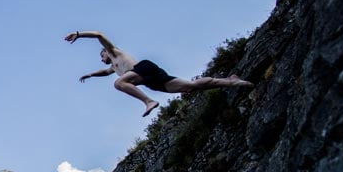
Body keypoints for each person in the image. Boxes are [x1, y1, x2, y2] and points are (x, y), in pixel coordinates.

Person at [65, 30, 254, 117]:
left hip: (143, 69)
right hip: (149, 79)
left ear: (107, 51)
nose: (102, 58)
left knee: (118, 84)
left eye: (102, 55)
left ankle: (149, 102)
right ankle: (231, 81)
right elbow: (105, 72)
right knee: (190, 87)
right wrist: (90, 75)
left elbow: (98, 34)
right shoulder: (113, 67)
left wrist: (79, 34)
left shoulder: (115, 52)